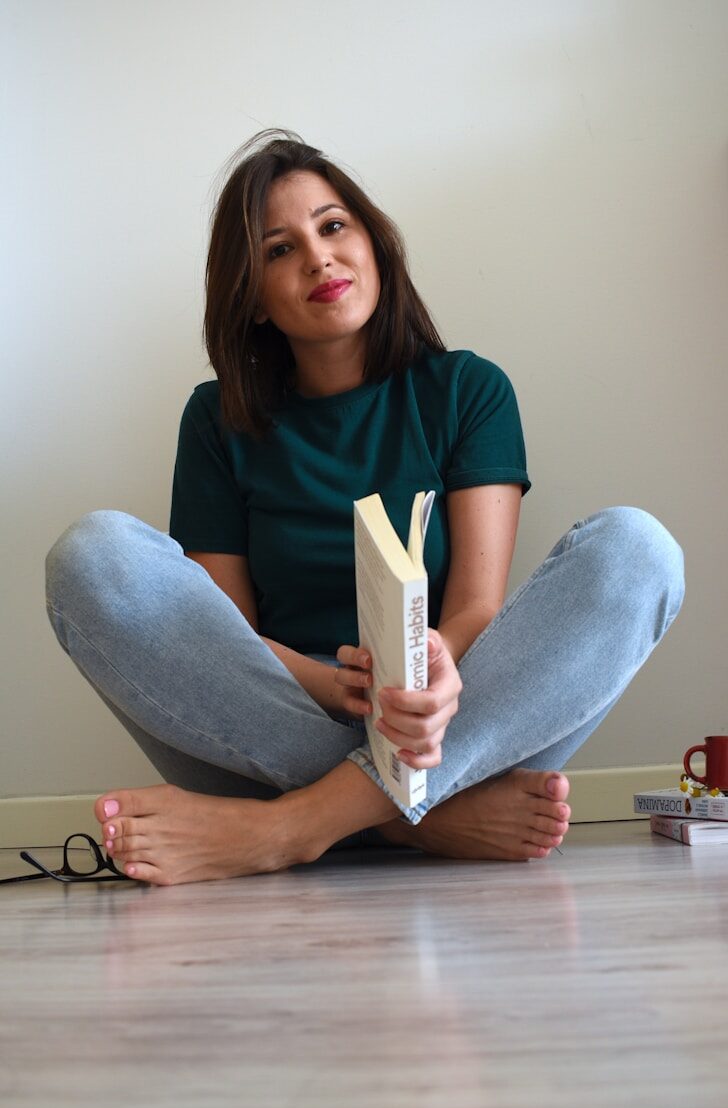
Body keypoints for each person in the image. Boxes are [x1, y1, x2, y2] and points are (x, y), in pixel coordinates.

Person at [45, 130, 685, 886]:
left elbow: (477, 609)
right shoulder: (217, 419)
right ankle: (421, 820)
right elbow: (221, 632)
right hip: (276, 717)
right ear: (250, 296)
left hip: (449, 721)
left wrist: (432, 675)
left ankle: (292, 827)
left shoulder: (467, 390)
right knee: (91, 556)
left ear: (375, 244)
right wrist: (335, 688)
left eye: (333, 226)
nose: (317, 257)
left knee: (637, 550)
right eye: (279, 249)